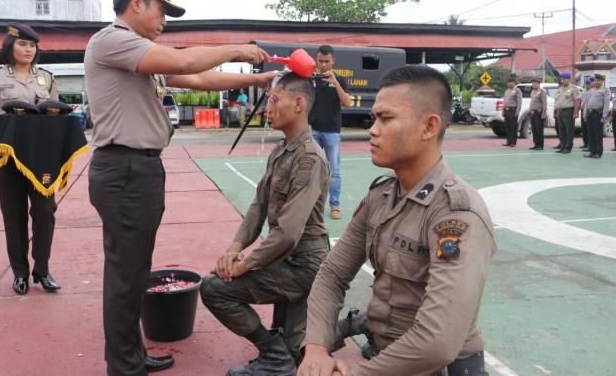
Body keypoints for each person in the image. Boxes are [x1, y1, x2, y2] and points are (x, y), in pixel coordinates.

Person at [84, 0, 276, 376]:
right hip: (124, 169)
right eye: (162, 9)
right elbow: (186, 60)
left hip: (138, 168)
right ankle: (124, 366)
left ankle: (129, 355)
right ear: (137, 3)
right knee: (125, 275)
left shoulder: (139, 52)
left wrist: (257, 78)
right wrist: (239, 48)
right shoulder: (113, 40)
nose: (165, 20)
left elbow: (197, 77)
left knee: (133, 272)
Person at [299, 66, 496, 376]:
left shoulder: (455, 214)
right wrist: (316, 350)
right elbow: (333, 274)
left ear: (429, 127)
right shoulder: (382, 195)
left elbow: (438, 343)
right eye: (375, 118)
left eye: (386, 119)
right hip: (384, 353)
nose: (372, 129)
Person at [200, 72, 330, 376]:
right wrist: (235, 247)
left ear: (298, 104)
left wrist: (244, 266)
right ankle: (282, 352)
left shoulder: (310, 159)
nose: (266, 109)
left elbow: (287, 233)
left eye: (273, 100)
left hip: (304, 264)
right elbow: (259, 205)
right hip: (286, 259)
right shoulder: (281, 151)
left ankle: (274, 357)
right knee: (296, 346)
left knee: (214, 289)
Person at [0, 23, 61, 295]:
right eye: (23, 44)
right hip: (9, 158)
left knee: (45, 213)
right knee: (14, 217)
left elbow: (56, 112)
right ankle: (20, 273)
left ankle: (43, 270)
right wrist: (6, 121)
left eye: (32, 45)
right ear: (9, 46)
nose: (28, 49)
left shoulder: (46, 78)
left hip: (41, 158)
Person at [308, 45, 351, 219]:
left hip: (332, 131)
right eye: (320, 61)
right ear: (316, 60)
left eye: (327, 61)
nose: (324, 64)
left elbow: (347, 103)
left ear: (333, 60)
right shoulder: (311, 79)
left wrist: (335, 83)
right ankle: (313, 205)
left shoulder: (340, 79)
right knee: (312, 169)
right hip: (314, 130)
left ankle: (335, 205)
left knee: (334, 171)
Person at [583, 73, 611, 159]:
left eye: (598, 80)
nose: (596, 82)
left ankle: (598, 153)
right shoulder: (591, 90)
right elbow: (587, 103)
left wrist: (604, 116)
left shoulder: (605, 90)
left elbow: (606, 104)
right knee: (590, 134)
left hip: (597, 114)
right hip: (590, 114)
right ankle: (592, 151)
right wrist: (585, 114)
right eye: (595, 80)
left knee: (597, 134)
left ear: (602, 81)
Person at [553, 72, 580, 154]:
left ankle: (568, 147)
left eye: (564, 79)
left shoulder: (574, 88)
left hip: (568, 111)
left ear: (569, 79)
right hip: (560, 112)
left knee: (569, 130)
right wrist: (556, 111)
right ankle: (563, 146)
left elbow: (577, 101)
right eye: (561, 79)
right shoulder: (560, 89)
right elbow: (557, 101)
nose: (562, 81)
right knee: (561, 130)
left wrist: (575, 112)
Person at [502, 76, 521, 147]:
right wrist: (503, 111)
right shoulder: (507, 91)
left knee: (513, 126)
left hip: (513, 110)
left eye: (510, 82)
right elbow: (505, 101)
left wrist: (518, 111)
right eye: (508, 82)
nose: (508, 84)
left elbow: (519, 102)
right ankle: (508, 141)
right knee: (507, 126)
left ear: (514, 83)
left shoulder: (517, 90)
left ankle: (513, 142)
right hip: (506, 110)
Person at [528, 77, 547, 150]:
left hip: (539, 113)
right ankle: (536, 144)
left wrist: (543, 114)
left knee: (539, 130)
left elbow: (544, 104)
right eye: (532, 83)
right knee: (534, 130)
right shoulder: (533, 91)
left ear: (538, 83)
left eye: (534, 83)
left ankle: (540, 145)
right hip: (533, 113)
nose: (533, 84)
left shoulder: (542, 91)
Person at [580, 77, 594, 151]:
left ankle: (589, 144)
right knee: (584, 129)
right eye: (586, 84)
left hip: (588, 111)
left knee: (588, 129)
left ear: (592, 84)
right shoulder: (585, 91)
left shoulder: (592, 92)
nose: (587, 85)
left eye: (588, 83)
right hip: (583, 111)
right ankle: (585, 143)